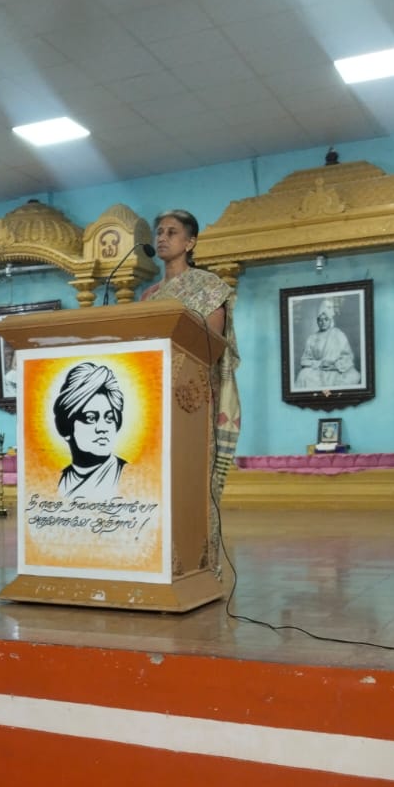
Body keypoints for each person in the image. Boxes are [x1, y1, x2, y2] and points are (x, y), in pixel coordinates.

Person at [141, 209, 241, 551]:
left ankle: (199, 555)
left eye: (171, 232)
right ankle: (157, 552)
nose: (162, 238)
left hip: (192, 399)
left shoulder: (209, 287)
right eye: (159, 232)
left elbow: (209, 344)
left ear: (190, 242)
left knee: (192, 478)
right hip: (154, 397)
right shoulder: (149, 296)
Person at [53, 362, 126, 500]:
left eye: (109, 418)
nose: (102, 428)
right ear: (66, 427)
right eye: (91, 418)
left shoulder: (130, 477)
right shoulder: (56, 482)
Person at [296, 297, 360, 389]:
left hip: (336, 370)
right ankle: (323, 394)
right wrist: (320, 364)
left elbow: (348, 357)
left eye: (326, 319)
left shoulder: (339, 334)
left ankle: (329, 394)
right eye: (320, 320)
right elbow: (304, 360)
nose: (323, 322)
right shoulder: (312, 338)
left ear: (331, 320)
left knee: (353, 376)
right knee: (303, 375)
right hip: (318, 371)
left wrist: (335, 366)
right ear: (317, 321)